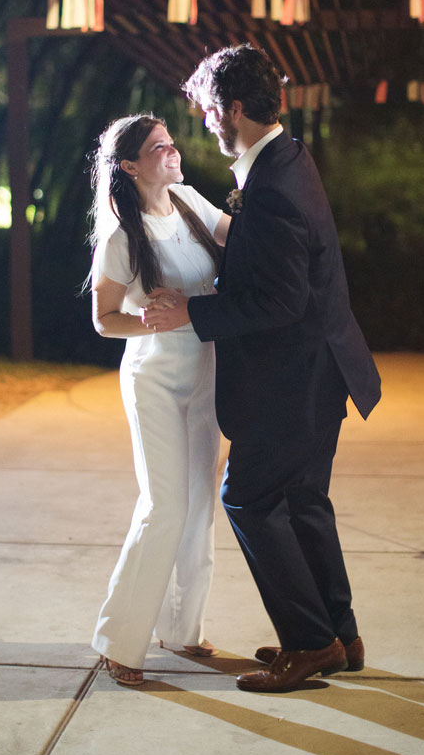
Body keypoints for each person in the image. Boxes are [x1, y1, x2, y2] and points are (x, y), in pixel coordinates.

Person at [143, 45, 382, 694]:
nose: (205, 123)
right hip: (322, 366)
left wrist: (191, 311)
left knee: (246, 496)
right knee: (301, 500)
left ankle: (310, 645)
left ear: (234, 109)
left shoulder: (272, 186)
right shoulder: (288, 158)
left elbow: (278, 301)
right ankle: (339, 635)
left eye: (208, 110)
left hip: (293, 376)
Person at [88, 113, 230, 686]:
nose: (172, 152)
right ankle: (119, 640)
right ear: (129, 165)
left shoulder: (193, 202)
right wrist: (156, 322)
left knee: (200, 507)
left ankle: (182, 631)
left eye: (171, 143)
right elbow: (103, 320)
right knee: (164, 506)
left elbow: (244, 244)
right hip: (155, 379)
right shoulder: (124, 234)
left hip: (210, 376)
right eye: (158, 147)